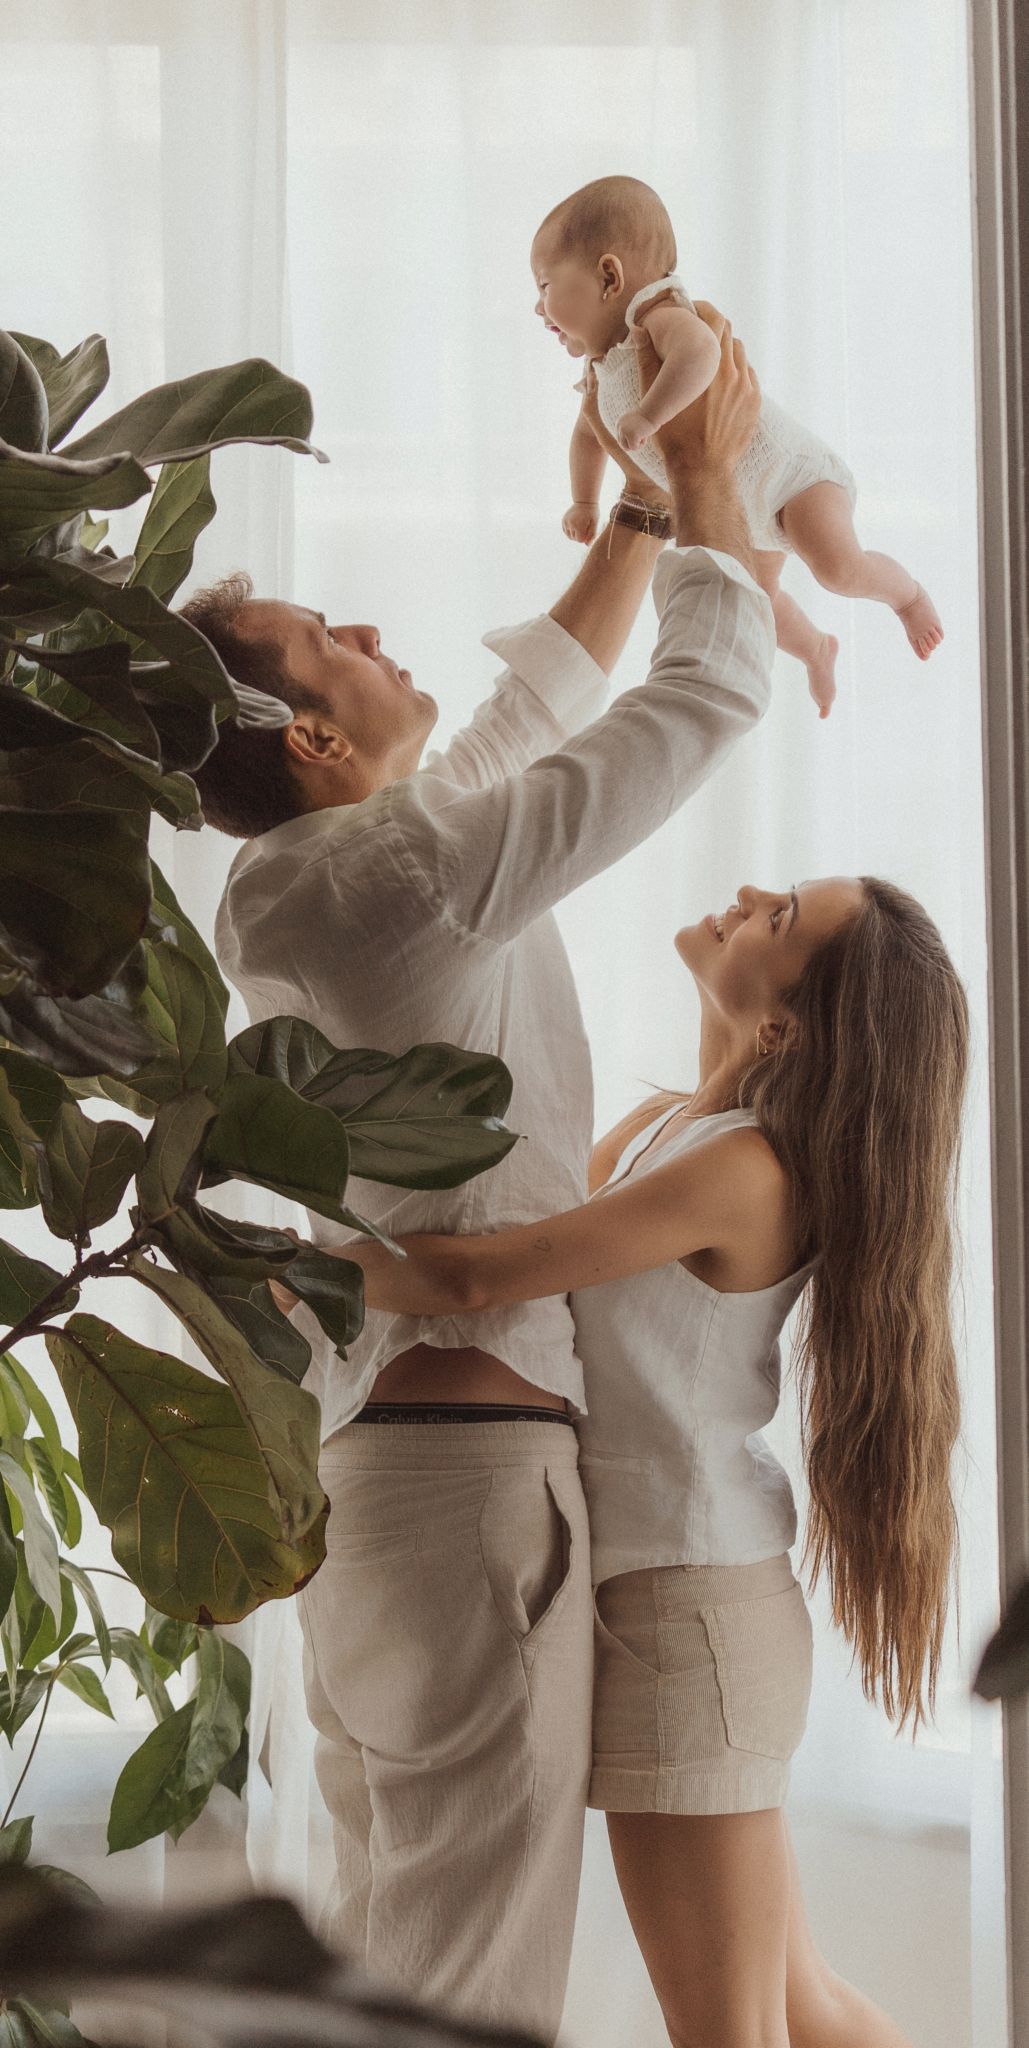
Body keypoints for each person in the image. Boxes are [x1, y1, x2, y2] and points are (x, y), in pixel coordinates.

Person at [181, 317, 773, 2039]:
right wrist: (720, 469)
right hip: (468, 1493)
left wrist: (648, 514)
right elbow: (707, 697)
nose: (370, 633)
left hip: (380, 1494)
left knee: (391, 1972)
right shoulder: (402, 872)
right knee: (461, 2002)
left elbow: (516, 725)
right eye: (327, 641)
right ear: (307, 739)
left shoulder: (299, 889)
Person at [301, 874, 968, 2048]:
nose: (752, 893)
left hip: (686, 1613)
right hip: (682, 1599)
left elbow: (487, 1273)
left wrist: (270, 1268)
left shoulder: (745, 1168)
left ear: (788, 1026)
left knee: (733, 2025)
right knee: (794, 2003)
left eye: (780, 919)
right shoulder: (689, 1127)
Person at [536, 174, 943, 717]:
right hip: (744, 507)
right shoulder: (601, 367)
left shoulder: (657, 316)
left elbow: (702, 355)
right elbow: (589, 434)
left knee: (836, 568)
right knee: (759, 600)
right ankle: (817, 652)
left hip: (794, 478)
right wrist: (584, 501)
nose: (538, 310)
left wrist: (650, 414)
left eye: (544, 287)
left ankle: (909, 597)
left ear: (609, 277)